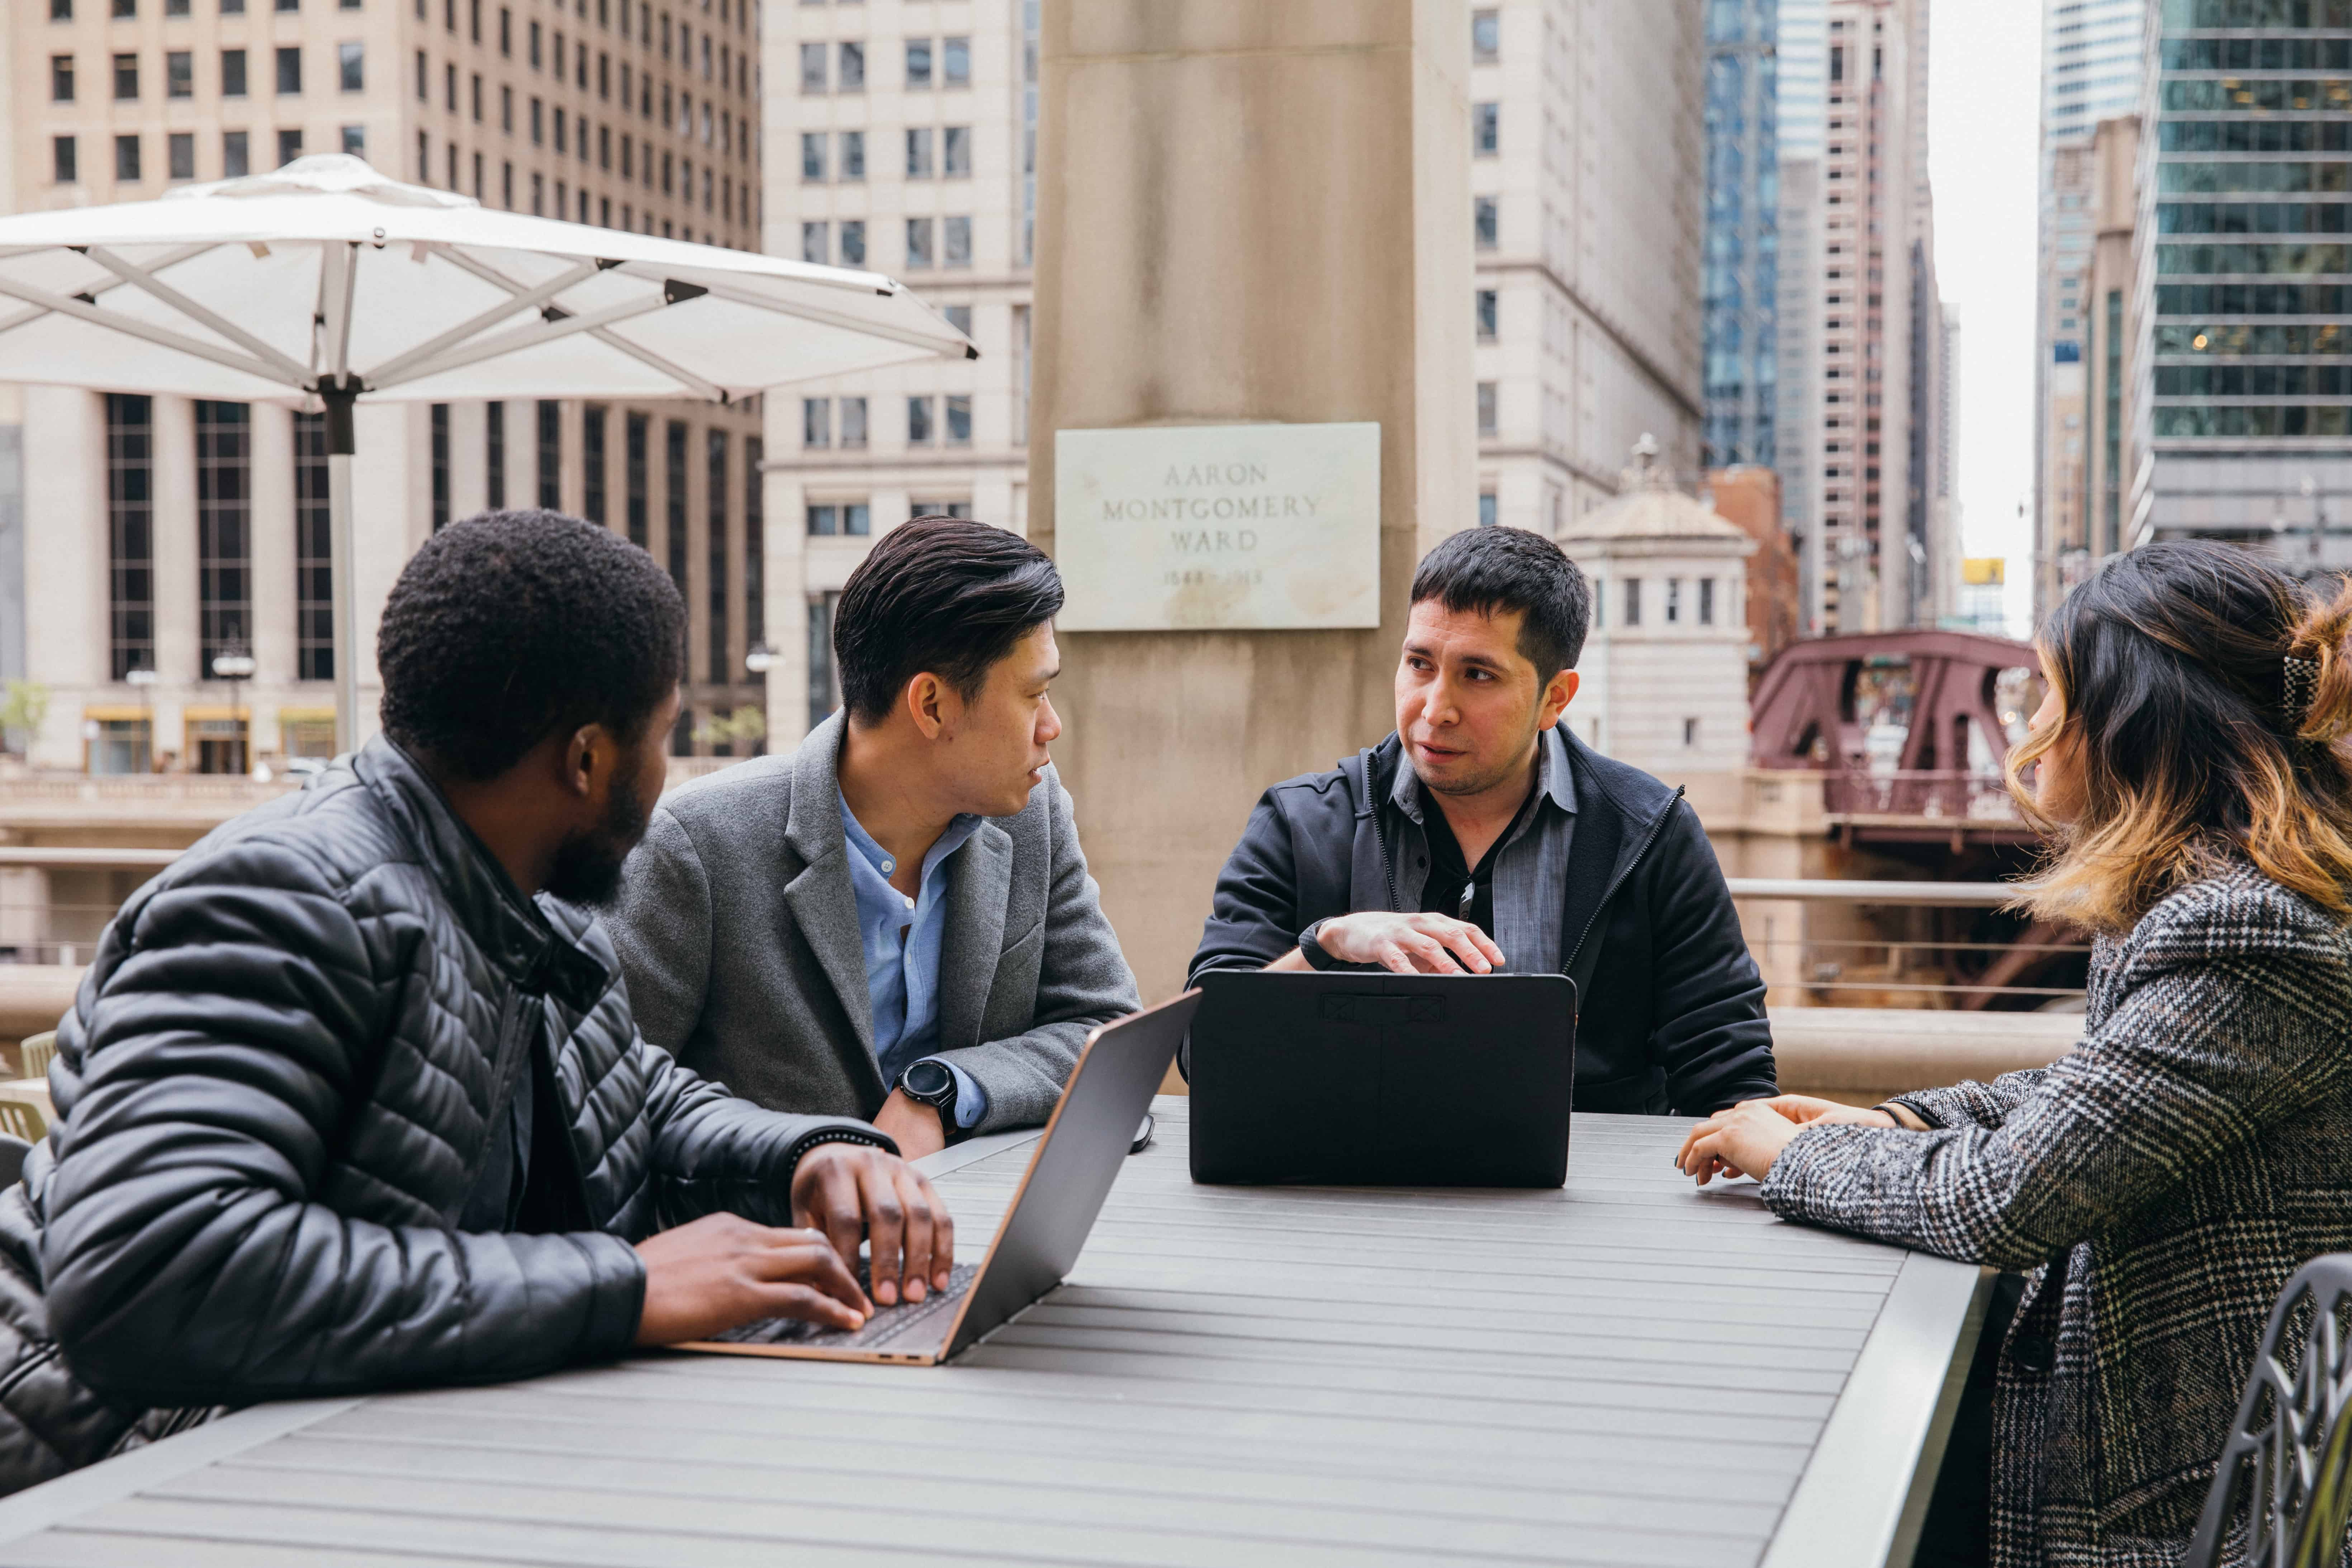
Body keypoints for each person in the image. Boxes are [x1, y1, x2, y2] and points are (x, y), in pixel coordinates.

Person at [0, 510, 953, 1496]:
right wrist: (625, 1287)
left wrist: (804, 1154)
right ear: (588, 761)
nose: (675, 771)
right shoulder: (280, 899)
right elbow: (155, 1279)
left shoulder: (539, 895)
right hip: (121, 1473)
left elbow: (632, 1096)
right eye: (666, 734)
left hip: (373, 1445)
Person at [1677, 541, 2352, 1568]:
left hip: (2191, 1497)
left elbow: (2005, 1202)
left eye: (2048, 694)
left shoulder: (2245, 930)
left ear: (2130, 721)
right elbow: (2097, 1090)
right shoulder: (2223, 899)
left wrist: (1790, 1157)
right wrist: (1899, 1121)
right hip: (2187, 1442)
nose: (2031, 726)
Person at [1189, 524, 1775, 1115]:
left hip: (1579, 1195)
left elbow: (1732, 1080)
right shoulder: (1302, 822)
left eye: (1478, 675)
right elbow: (1202, 1049)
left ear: (1555, 699)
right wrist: (1329, 947)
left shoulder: (1649, 834)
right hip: (1346, 1187)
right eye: (1420, 664)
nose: (1435, 710)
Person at [607, 515, 1138, 1160]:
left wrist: (944, 1091)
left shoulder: (1032, 813)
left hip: (982, 1228)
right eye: (1035, 695)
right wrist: (809, 1157)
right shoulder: (696, 847)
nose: (1052, 726)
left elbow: (1107, 1028)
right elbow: (610, 1094)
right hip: (782, 1245)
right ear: (932, 705)